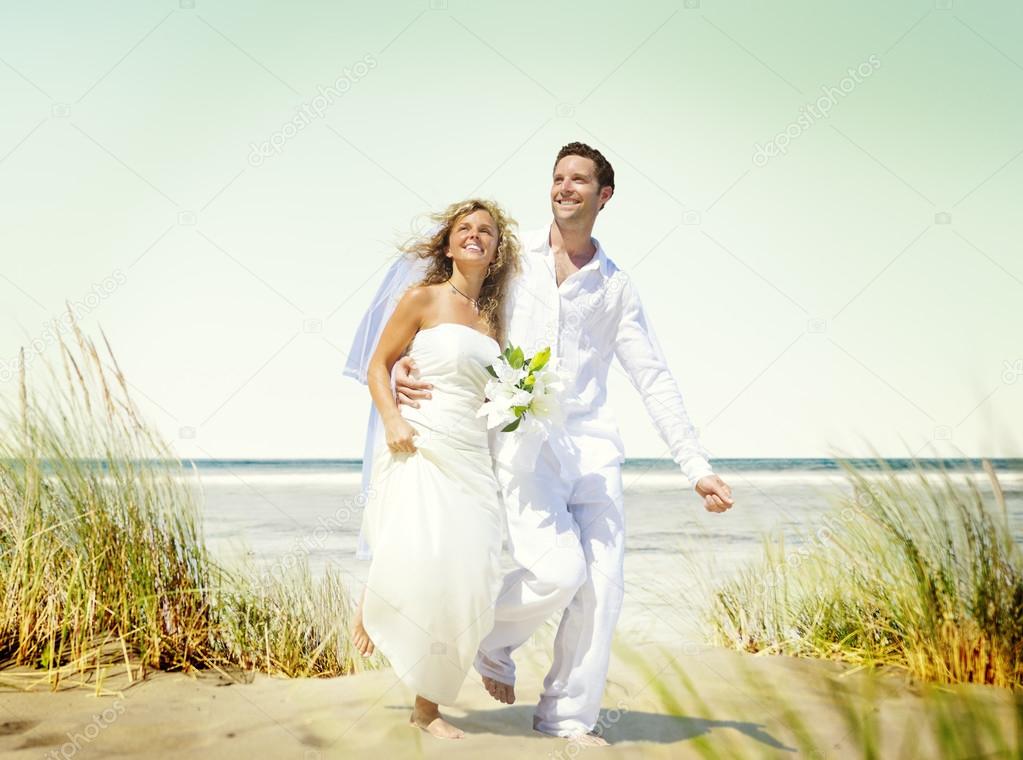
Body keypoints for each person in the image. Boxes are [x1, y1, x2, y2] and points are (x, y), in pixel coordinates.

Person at [388, 143, 736, 745]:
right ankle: (489, 641)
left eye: (580, 180)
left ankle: (568, 719)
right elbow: (450, 301)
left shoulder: (616, 286)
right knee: (558, 572)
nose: (565, 187)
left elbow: (652, 376)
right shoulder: (513, 261)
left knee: (602, 588)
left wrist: (696, 467)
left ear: (604, 197)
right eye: (558, 178)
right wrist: (407, 365)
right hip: (524, 446)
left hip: (596, 451)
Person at [348, 198, 521, 740]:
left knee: (471, 573)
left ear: (495, 250)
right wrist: (393, 418)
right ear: (448, 244)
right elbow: (378, 364)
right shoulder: (421, 298)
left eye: (486, 232)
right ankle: (426, 706)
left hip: (471, 454)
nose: (475, 236)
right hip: (420, 441)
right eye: (464, 229)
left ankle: (383, 605)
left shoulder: (493, 318)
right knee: (420, 551)